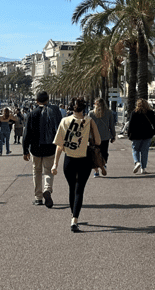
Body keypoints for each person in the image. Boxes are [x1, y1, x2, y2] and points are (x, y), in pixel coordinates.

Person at [51, 97, 102, 232]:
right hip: (84, 159)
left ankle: (73, 214)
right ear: (84, 108)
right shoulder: (89, 121)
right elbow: (98, 141)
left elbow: (59, 146)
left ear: (71, 108)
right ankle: (75, 219)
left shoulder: (64, 121)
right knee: (80, 189)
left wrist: (55, 164)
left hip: (69, 160)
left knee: (72, 188)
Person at [23, 91, 63, 206]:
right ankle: (47, 188)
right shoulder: (54, 111)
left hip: (35, 148)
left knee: (36, 172)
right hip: (50, 147)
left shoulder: (32, 114)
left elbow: (27, 133)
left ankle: (38, 198)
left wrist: (25, 150)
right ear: (48, 100)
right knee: (48, 171)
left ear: (36, 101)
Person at [128, 99, 155, 174]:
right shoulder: (150, 113)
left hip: (136, 135)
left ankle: (137, 162)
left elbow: (130, 125)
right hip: (147, 134)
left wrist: (129, 134)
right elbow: (154, 123)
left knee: (135, 150)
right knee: (144, 152)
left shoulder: (134, 113)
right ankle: (143, 168)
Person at [89, 98, 116, 177]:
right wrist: (113, 135)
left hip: (94, 137)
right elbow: (111, 125)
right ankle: (103, 164)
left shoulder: (91, 113)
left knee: (94, 153)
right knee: (104, 152)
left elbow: (88, 126)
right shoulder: (109, 112)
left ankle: (96, 171)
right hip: (105, 136)